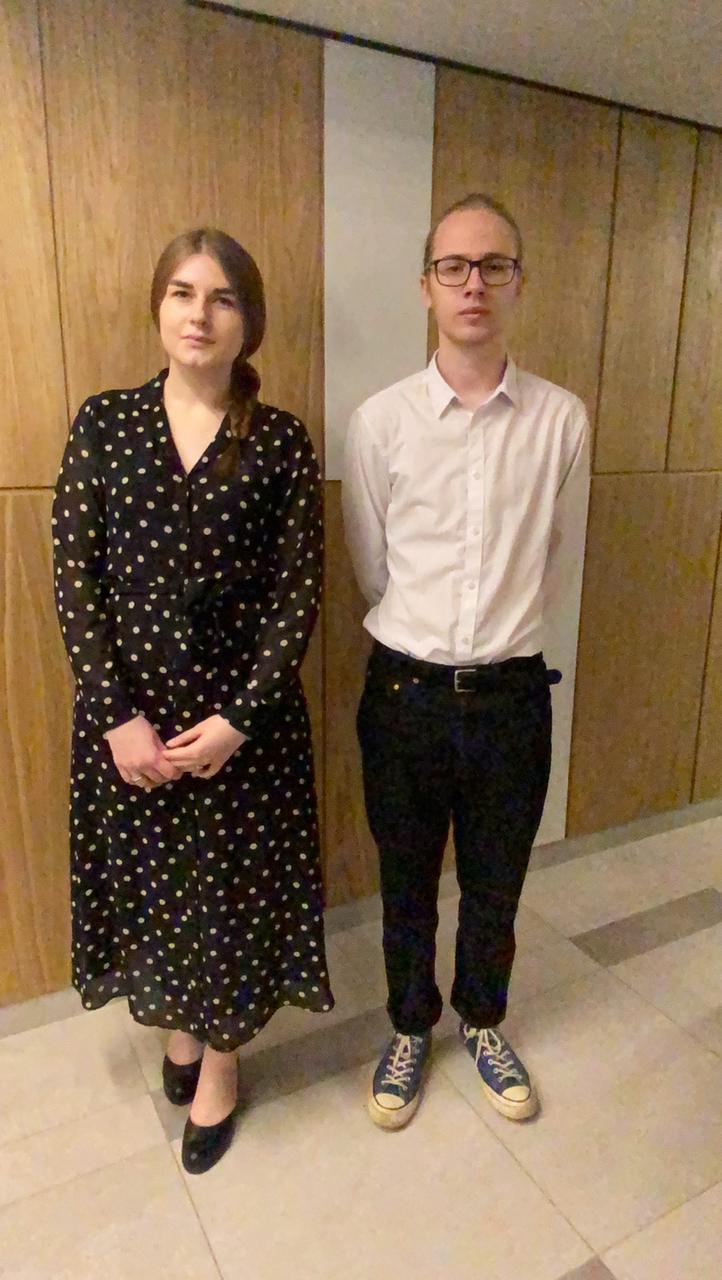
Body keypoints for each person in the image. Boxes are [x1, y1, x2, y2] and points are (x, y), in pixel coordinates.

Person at [53, 227, 333, 1173]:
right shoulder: (105, 424)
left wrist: (241, 719)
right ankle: (179, 1022)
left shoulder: (280, 440)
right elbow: (75, 579)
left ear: (249, 320)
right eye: (182, 292)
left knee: (229, 899)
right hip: (131, 724)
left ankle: (220, 1062)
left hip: (242, 728)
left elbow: (299, 590)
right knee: (156, 888)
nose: (200, 315)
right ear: (158, 307)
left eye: (221, 298)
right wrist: (115, 716)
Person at [343, 193, 590, 1129]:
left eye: (494, 265)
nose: (473, 283)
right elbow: (373, 565)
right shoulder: (381, 422)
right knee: (406, 882)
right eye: (454, 266)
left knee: (497, 883)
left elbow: (556, 558)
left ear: (519, 282)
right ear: (426, 287)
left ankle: (482, 1019)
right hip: (403, 692)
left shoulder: (562, 421)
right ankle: (411, 1027)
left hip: (512, 698)